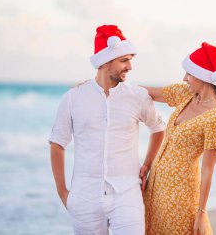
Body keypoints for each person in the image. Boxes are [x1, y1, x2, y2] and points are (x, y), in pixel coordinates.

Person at [49, 24, 165, 235]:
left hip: (128, 193)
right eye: (124, 60)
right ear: (104, 62)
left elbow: (158, 128)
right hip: (84, 197)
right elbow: (57, 144)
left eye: (130, 60)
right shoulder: (73, 97)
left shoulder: (136, 96)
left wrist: (147, 164)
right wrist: (63, 193)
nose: (129, 66)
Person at [143, 42, 216, 235]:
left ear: (204, 76)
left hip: (181, 194)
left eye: (189, 74)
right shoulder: (186, 94)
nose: (184, 78)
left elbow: (208, 169)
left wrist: (201, 213)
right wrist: (100, 87)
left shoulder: (214, 117)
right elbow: (145, 93)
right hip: (156, 187)